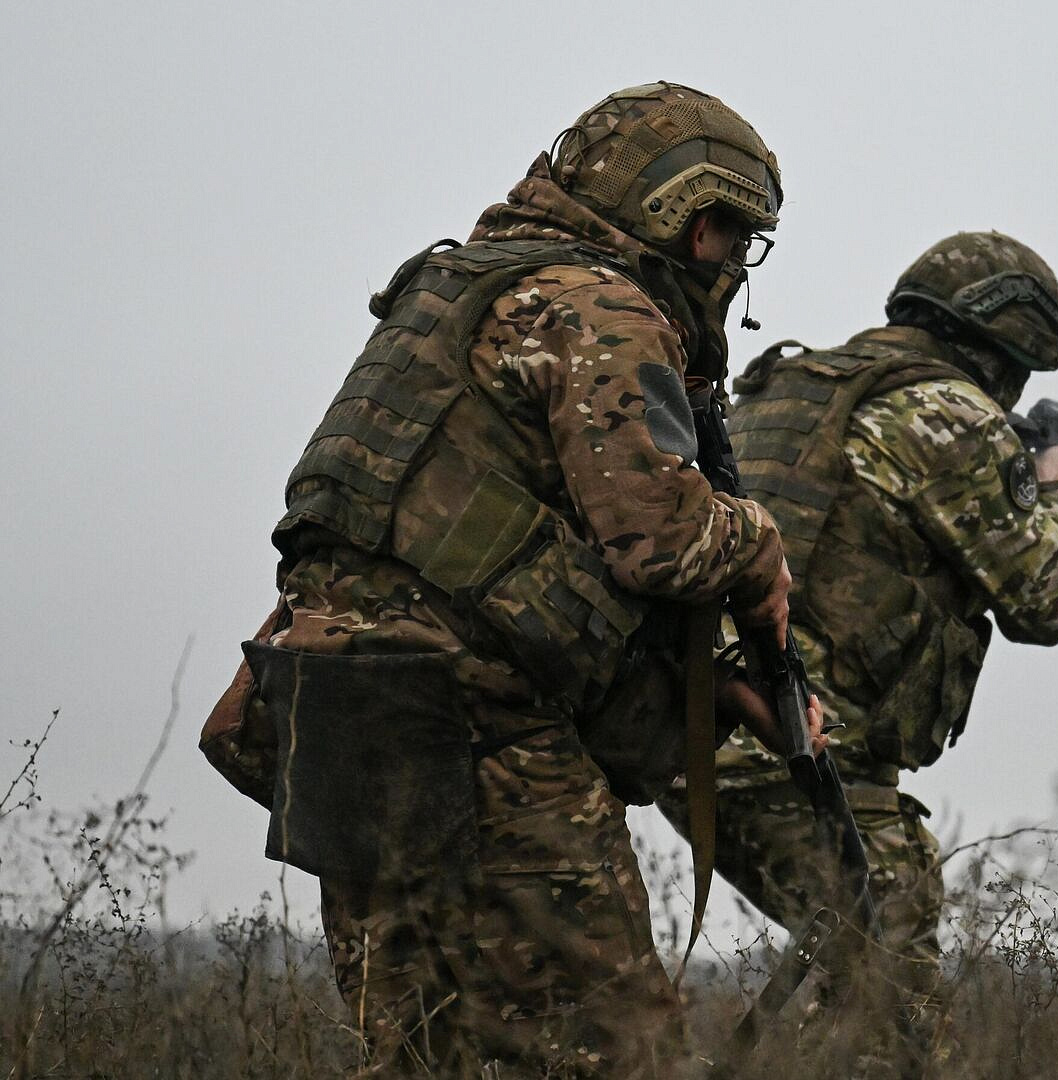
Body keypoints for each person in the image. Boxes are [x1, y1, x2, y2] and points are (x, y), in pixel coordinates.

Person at [200, 82, 817, 1076]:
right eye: (732, 238)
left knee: (420, 1046)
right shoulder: (598, 302)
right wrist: (759, 551)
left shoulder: (455, 288)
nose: (732, 268)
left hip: (333, 698)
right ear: (692, 221)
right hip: (467, 715)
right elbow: (656, 536)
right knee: (612, 1047)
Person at [658, 231, 1058, 1075]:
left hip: (693, 735)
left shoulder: (801, 383)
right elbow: (1047, 603)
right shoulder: (949, 416)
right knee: (896, 1023)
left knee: (857, 990)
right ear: (1012, 350)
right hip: (799, 754)